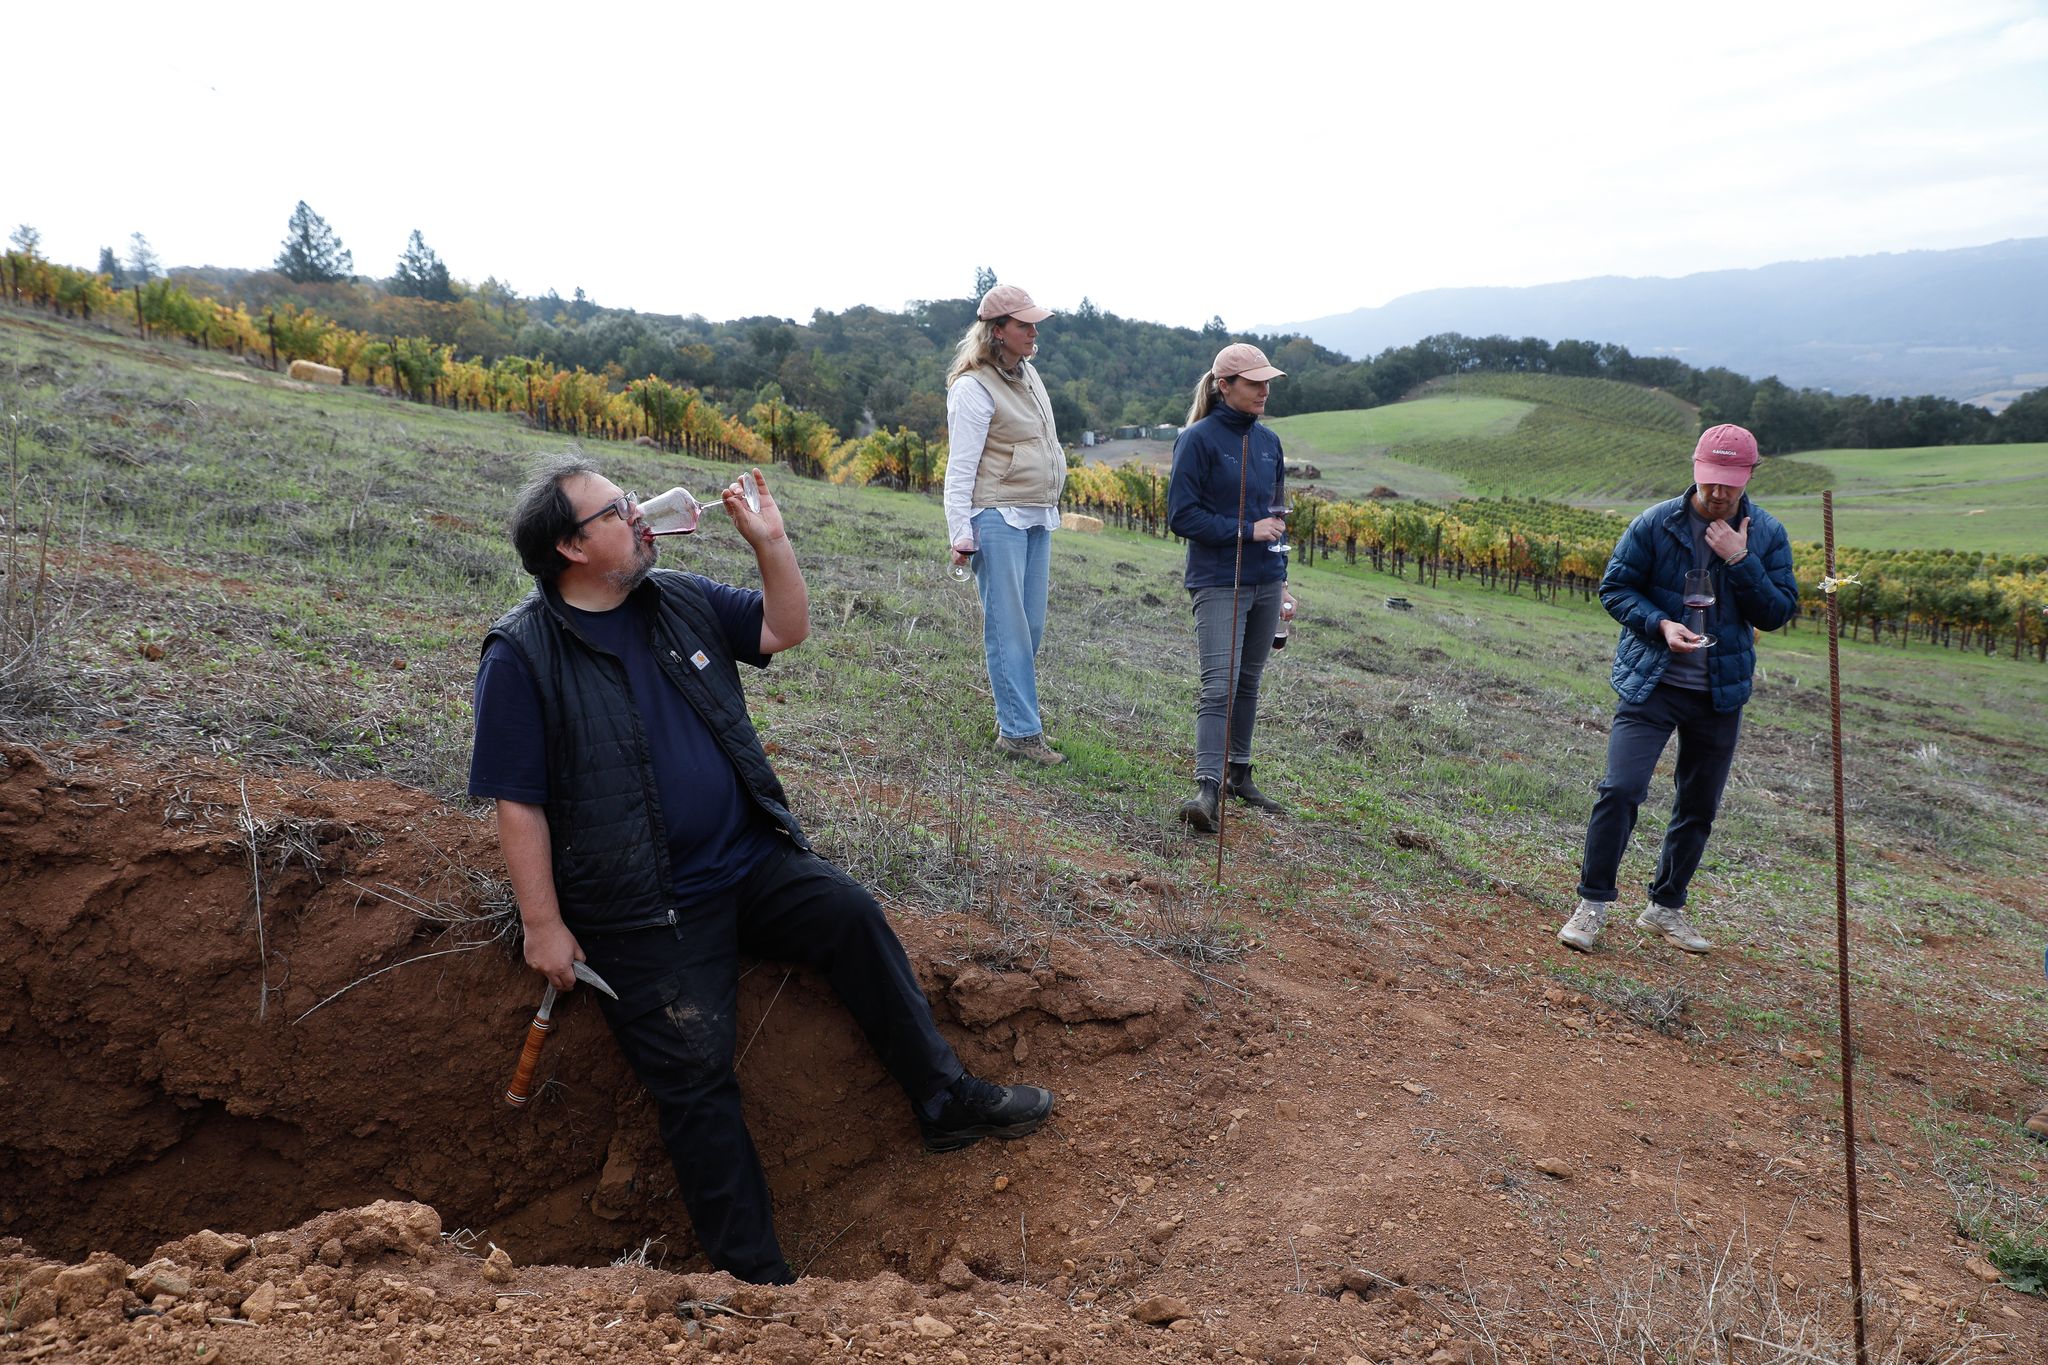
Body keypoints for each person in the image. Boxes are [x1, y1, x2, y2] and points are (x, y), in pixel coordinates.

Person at [469, 455, 1053, 1285]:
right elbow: (516, 800)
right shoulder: (524, 653)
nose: (640, 516)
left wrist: (772, 544)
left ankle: (944, 1101)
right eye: (617, 510)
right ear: (570, 546)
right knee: (696, 1075)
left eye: (634, 502)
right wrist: (543, 924)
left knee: (848, 912)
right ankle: (758, 1281)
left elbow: (784, 628)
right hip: (643, 906)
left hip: (748, 862)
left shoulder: (679, 600)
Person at [1558, 424, 1797, 954]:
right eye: (1711, 480)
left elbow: (1777, 612)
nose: (1718, 493)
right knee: (1620, 790)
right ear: (1695, 470)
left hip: (1719, 694)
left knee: (1698, 805)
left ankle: (1665, 908)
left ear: (1749, 478)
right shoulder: (1655, 524)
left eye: (1730, 484)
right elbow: (1615, 588)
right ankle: (1592, 904)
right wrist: (1661, 625)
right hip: (1653, 681)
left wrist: (1741, 558)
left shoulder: (1768, 535)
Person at [1165, 343, 1298, 832]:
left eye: (1267, 383)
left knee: (1248, 683)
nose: (1264, 391)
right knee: (1218, 685)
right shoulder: (1196, 440)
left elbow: (1278, 519)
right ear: (1225, 386)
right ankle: (1206, 788)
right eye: (1254, 383)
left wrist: (1283, 584)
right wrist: (1247, 530)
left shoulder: (1269, 443)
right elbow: (1181, 516)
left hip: (1265, 581)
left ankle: (1239, 774)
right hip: (1219, 581)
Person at [944, 284, 1067, 766]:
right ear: (998, 332)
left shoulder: (1029, 374)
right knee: (1008, 626)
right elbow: (961, 466)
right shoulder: (972, 386)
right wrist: (961, 531)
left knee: (1029, 626)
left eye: (1034, 323)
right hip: (996, 514)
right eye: (1024, 325)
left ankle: (1015, 718)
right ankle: (1019, 734)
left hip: (1037, 511)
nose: (1034, 332)